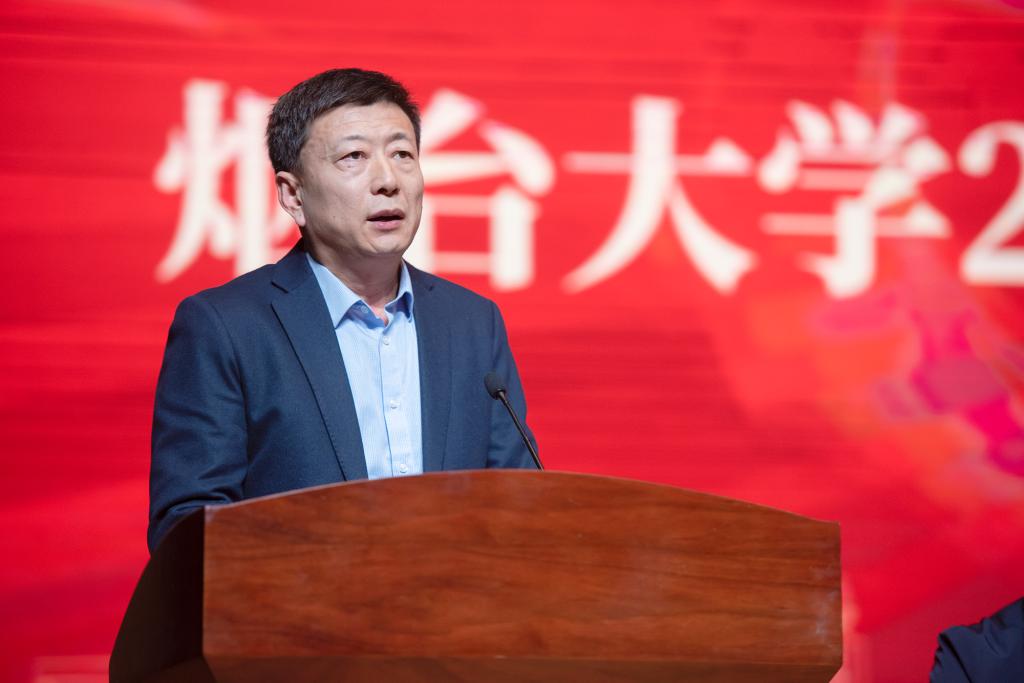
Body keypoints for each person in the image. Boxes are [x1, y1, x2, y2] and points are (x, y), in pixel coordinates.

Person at [147, 68, 537, 552]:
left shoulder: (472, 322)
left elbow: (519, 503)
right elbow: (186, 528)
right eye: (354, 157)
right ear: (293, 195)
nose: (388, 180)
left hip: (456, 600)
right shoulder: (228, 327)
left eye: (402, 154)